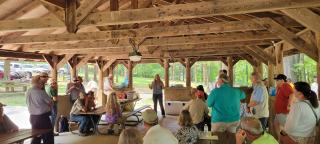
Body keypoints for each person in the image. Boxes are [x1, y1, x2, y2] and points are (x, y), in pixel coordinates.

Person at [207, 73, 245, 144]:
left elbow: (208, 104)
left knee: (218, 141)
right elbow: (243, 95)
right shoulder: (236, 91)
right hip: (234, 120)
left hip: (219, 121)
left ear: (221, 80)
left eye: (217, 79)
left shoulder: (215, 92)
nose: (217, 81)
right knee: (232, 140)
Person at [26, 74, 54, 144]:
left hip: (33, 117)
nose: (44, 85)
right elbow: (51, 102)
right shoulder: (41, 92)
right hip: (42, 117)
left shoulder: (28, 91)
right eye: (43, 83)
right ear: (39, 83)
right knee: (48, 136)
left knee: (36, 136)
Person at [273, 74, 294, 141]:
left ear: (282, 80)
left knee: (286, 128)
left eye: (277, 80)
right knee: (276, 124)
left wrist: (289, 105)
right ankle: (280, 139)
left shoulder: (286, 85)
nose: (276, 82)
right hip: (279, 111)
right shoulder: (280, 87)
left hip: (283, 111)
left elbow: (292, 94)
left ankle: (288, 141)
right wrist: (277, 87)